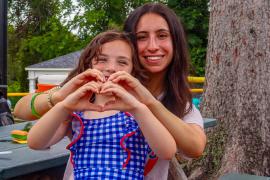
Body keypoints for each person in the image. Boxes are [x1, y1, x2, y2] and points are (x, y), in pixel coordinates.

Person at [14, 2, 206, 179]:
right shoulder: (84, 93)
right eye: (142, 37)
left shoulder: (175, 102)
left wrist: (146, 104)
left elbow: (193, 147)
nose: (153, 46)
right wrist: (61, 99)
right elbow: (21, 112)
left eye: (162, 35)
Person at [27, 30, 177, 180]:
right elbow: (35, 143)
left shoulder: (137, 111)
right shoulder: (76, 112)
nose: (111, 67)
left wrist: (139, 109)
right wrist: (64, 106)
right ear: (88, 65)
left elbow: (167, 152)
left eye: (122, 62)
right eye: (101, 60)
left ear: (133, 70)